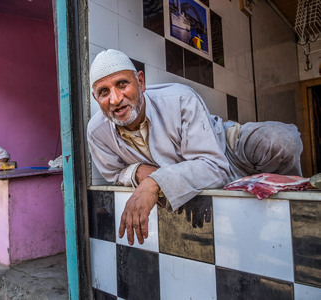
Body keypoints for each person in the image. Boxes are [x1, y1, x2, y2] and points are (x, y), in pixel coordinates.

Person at [87, 49, 303, 246]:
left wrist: (155, 182)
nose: (115, 99)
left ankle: (298, 217)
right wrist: (139, 172)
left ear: (140, 82)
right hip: (190, 174)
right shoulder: (97, 132)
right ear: (96, 98)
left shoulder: (180, 98)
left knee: (281, 140)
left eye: (123, 84)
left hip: (226, 148)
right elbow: (114, 173)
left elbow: (214, 166)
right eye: (104, 92)